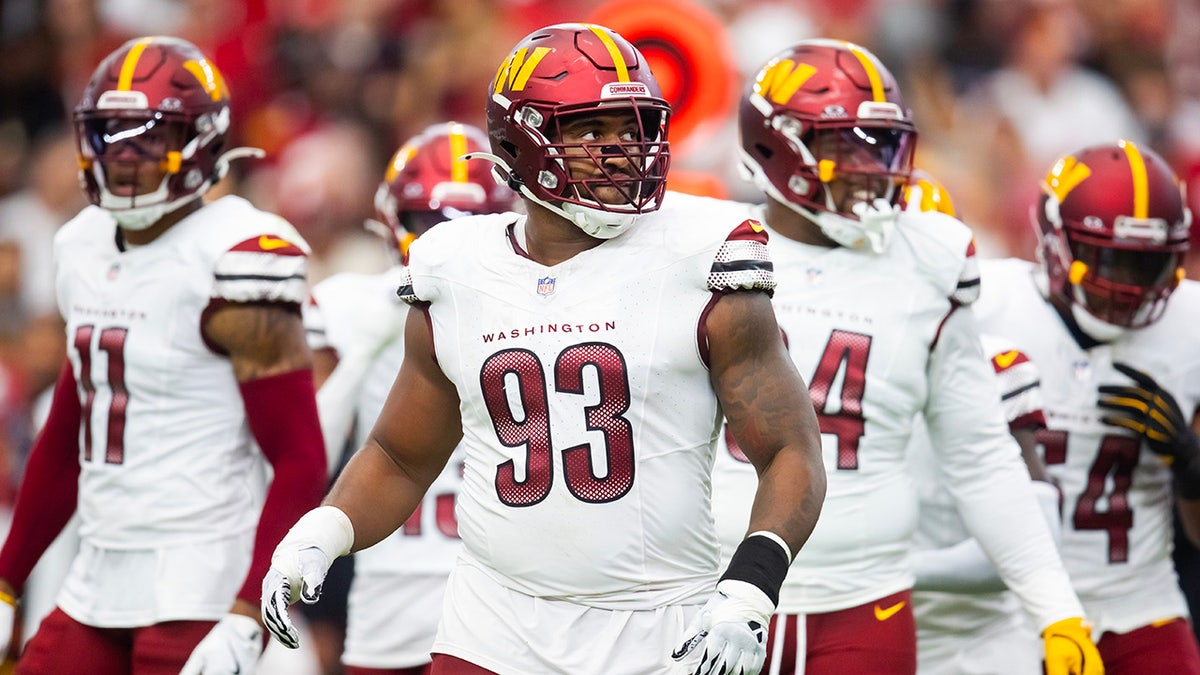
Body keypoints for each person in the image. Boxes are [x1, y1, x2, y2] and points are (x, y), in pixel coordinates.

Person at [262, 22, 828, 675]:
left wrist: (751, 584)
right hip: (493, 625)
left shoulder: (701, 252)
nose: (624, 150)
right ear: (520, 142)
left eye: (636, 125)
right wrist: (324, 529)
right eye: (593, 131)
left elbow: (790, 447)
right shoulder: (455, 265)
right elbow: (400, 453)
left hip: (657, 626)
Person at [711, 38, 1101, 675]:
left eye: (880, 143)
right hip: (714, 593)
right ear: (773, 146)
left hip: (865, 603)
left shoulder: (928, 257)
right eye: (845, 145)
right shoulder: (706, 247)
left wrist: (1056, 610)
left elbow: (979, 455)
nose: (872, 165)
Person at [0, 35, 327, 674]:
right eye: (109, 135)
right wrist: (8, 579)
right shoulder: (82, 246)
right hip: (95, 575)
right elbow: (70, 429)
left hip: (200, 581)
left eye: (150, 136)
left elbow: (299, 458)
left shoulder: (237, 255)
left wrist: (250, 606)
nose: (124, 159)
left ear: (203, 141)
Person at [973, 139, 1200, 674]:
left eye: (1148, 268)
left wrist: (1190, 464)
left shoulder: (1190, 325)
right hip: (1004, 608)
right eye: (1110, 260)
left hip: (1136, 605)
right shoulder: (988, 305)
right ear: (1055, 244)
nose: (1128, 288)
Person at [306, 121, 518, 675]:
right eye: (429, 222)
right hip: (390, 602)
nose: (448, 239)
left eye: (472, 221)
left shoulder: (544, 307)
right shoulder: (351, 308)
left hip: (503, 597)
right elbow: (304, 454)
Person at [902, 176, 1061, 674]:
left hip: (976, 645)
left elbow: (1033, 535)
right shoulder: (822, 353)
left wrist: (888, 569)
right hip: (860, 626)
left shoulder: (995, 367)